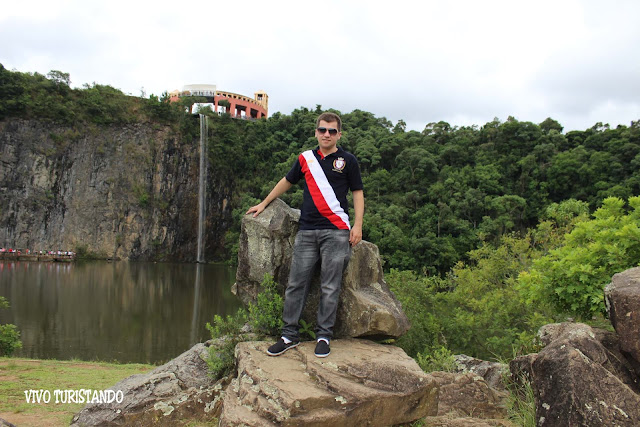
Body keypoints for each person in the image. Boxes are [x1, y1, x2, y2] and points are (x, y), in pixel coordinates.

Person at [246, 112, 364, 358]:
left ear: (339, 134)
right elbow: (286, 181)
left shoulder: (348, 160)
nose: (327, 135)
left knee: (330, 286)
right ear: (316, 132)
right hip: (308, 230)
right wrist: (264, 203)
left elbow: (357, 192)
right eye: (322, 130)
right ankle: (289, 335)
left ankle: (324, 336)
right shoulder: (305, 159)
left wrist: (358, 225)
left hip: (337, 231)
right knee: (296, 284)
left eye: (332, 131)